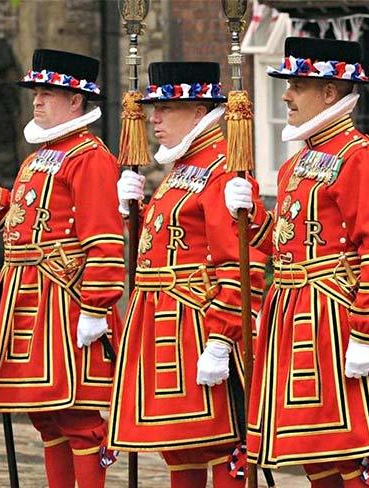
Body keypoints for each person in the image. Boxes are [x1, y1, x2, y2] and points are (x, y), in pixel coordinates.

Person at [226, 37, 369, 487]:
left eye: (298, 84)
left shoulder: (359, 157)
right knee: (312, 454)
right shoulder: (296, 164)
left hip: (334, 320)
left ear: (330, 92)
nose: (286, 94)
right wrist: (250, 218)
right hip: (290, 316)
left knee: (346, 452)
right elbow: (284, 244)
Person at [0, 48, 123, 488]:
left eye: (48, 93)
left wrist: (96, 307)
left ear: (76, 101)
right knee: (47, 417)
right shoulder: (40, 156)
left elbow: (105, 240)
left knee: (77, 416)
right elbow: (23, 217)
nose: (37, 100)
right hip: (27, 299)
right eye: (36, 91)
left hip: (65, 304)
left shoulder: (89, 156)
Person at [107, 61, 267, 488]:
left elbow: (237, 261)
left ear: (198, 111)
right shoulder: (184, 166)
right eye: (153, 109)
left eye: (165, 108)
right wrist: (132, 214)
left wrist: (221, 337)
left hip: (199, 326)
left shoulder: (219, 167)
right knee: (181, 447)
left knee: (220, 442)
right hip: (166, 327)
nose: (154, 119)